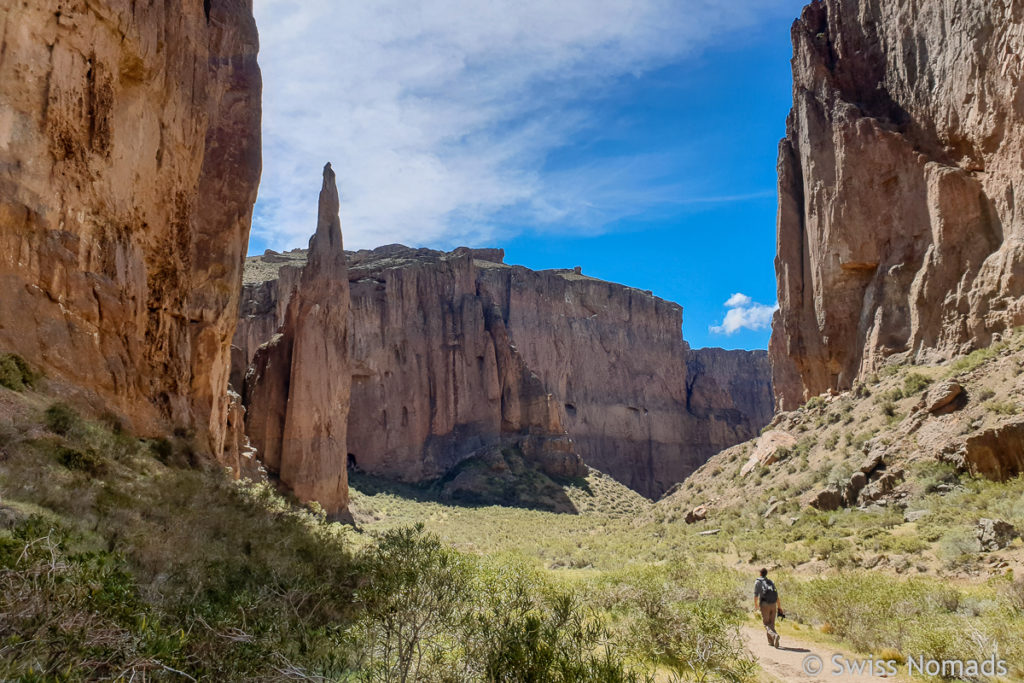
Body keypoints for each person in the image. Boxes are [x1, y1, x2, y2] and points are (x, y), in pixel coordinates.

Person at [754, 568, 782, 648]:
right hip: (773, 604)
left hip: (764, 605)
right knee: (771, 624)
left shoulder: (758, 582)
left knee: (766, 624)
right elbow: (777, 596)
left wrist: (756, 605)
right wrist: (779, 607)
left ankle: (775, 635)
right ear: (766, 574)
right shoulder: (771, 582)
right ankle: (771, 642)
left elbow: (756, 595)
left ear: (760, 573)